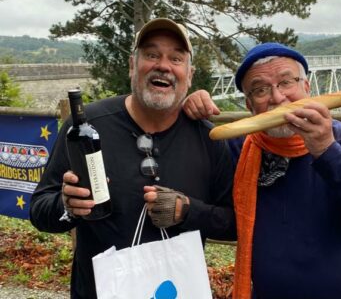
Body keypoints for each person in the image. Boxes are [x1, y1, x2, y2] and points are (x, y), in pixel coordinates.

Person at [183, 42, 341, 299]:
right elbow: (189, 165)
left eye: (286, 82)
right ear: (249, 105)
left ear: (307, 87)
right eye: (260, 90)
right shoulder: (238, 149)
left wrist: (327, 150)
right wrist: (187, 110)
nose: (277, 98)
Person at [30, 18, 236, 299]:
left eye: (176, 58)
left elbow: (236, 223)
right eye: (151, 55)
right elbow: (40, 212)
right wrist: (68, 206)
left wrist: (189, 212)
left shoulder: (209, 140)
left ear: (189, 75)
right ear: (132, 65)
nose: (163, 65)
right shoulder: (87, 129)